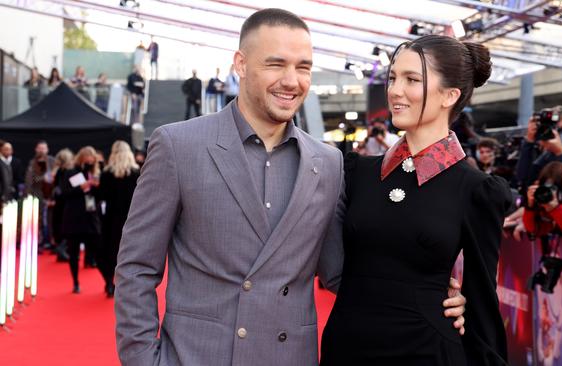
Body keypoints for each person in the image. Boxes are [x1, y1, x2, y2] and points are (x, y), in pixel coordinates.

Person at [115, 9, 466, 366]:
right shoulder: (179, 145)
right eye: (275, 64)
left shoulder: (328, 163)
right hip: (196, 356)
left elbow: (341, 272)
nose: (291, 80)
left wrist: (434, 295)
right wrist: (144, 360)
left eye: (303, 67)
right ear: (241, 63)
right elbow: (136, 265)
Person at [320, 35, 511, 365]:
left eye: (412, 80)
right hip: (347, 346)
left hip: (426, 351)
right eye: (393, 78)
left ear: (449, 96)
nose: (395, 90)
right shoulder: (356, 172)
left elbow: (482, 305)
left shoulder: (476, 190)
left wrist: (463, 301)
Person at [98, 141, 139, 298]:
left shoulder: (107, 174)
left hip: (111, 217)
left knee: (110, 250)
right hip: (131, 217)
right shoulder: (136, 173)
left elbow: (101, 196)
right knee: (129, 252)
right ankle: (128, 284)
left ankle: (110, 282)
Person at [61, 146, 102, 293]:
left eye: (92, 160)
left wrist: (97, 186)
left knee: (98, 249)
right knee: (74, 253)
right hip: (74, 217)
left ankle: (109, 281)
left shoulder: (95, 172)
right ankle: (75, 282)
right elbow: (65, 192)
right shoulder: (72, 172)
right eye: (87, 159)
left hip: (90, 216)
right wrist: (82, 187)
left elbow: (99, 195)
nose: (90, 162)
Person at [25, 141, 56, 248]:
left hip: (51, 195)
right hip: (37, 195)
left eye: (44, 148)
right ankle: (39, 241)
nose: (42, 150)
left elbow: (56, 178)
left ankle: (52, 240)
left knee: (51, 219)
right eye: (40, 148)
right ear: (36, 149)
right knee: (38, 220)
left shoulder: (52, 161)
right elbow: (30, 181)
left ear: (47, 150)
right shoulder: (32, 163)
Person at [51, 148, 75, 263]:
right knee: (66, 226)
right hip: (66, 202)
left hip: (58, 202)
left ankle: (61, 248)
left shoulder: (56, 171)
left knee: (59, 225)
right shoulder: (70, 171)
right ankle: (62, 248)